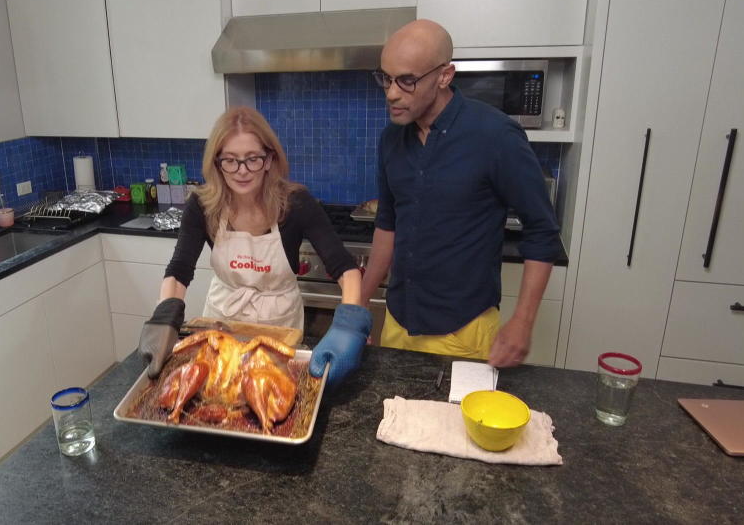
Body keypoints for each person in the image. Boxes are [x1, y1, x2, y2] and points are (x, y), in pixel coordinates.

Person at [361, 20, 560, 367]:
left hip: (464, 333)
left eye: (406, 80)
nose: (392, 92)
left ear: (444, 76)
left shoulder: (496, 136)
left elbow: (542, 231)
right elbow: (387, 224)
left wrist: (522, 323)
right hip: (397, 324)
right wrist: (358, 305)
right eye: (386, 78)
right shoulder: (391, 139)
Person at [138, 107, 372, 386]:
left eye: (252, 159)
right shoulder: (202, 205)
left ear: (269, 159)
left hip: (279, 326)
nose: (242, 171)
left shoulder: (296, 203)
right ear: (216, 162)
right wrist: (165, 317)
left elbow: (346, 270)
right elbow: (179, 271)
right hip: (222, 322)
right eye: (231, 161)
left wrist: (348, 324)